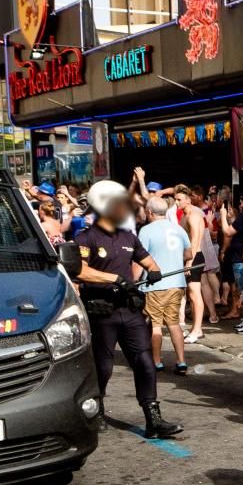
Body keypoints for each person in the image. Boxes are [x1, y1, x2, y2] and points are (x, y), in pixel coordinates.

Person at [74, 181, 183, 439]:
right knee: (103, 367)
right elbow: (79, 270)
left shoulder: (128, 237)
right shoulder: (86, 238)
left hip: (130, 310)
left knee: (145, 362)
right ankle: (96, 409)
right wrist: (113, 279)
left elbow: (147, 260)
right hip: (103, 312)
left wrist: (154, 270)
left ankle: (153, 419)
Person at [138, 197, 193, 375]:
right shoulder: (178, 229)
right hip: (176, 283)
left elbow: (140, 258)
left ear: (150, 212)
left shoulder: (146, 231)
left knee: (155, 325)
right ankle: (181, 361)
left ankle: (156, 362)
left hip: (155, 284)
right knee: (174, 323)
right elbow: (189, 253)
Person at [173, 185, 207, 343]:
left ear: (187, 200)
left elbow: (195, 241)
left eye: (179, 200)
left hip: (194, 258)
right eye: (175, 199)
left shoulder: (193, 216)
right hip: (188, 258)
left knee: (195, 294)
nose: (176, 202)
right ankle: (195, 328)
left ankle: (198, 329)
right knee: (190, 295)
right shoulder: (183, 216)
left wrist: (189, 262)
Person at [221, 198, 243, 323]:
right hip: (242, 257)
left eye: (242, 203)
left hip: (241, 259)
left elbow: (227, 232)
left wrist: (223, 216)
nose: (241, 206)